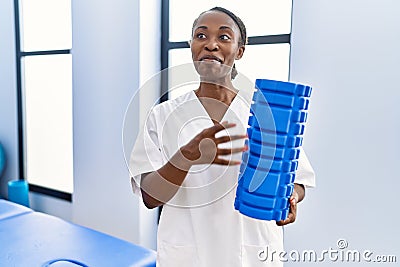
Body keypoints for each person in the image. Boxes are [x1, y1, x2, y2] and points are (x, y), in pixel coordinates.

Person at [129, 6, 315, 267]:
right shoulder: (162, 116)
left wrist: (290, 197)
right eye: (201, 36)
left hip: (252, 252)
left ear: (239, 51)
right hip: (189, 255)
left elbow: (298, 180)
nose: (211, 45)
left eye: (224, 37)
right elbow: (150, 197)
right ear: (191, 46)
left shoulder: (265, 113)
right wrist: (186, 157)